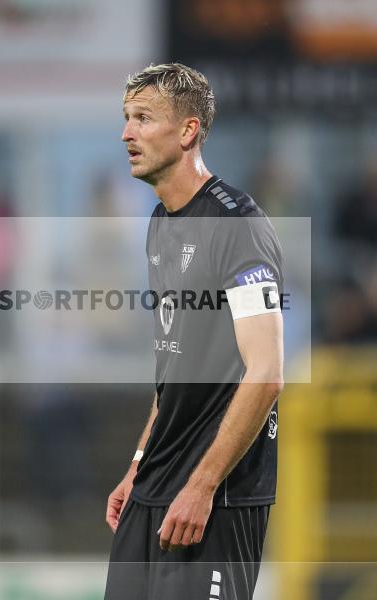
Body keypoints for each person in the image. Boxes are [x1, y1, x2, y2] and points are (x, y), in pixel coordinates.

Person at [104, 63, 285, 600]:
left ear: (187, 132)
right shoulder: (162, 222)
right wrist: (139, 465)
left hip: (215, 498)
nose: (126, 134)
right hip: (155, 489)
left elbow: (268, 372)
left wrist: (202, 486)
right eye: (126, 118)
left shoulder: (237, 227)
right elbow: (176, 365)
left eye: (143, 118)